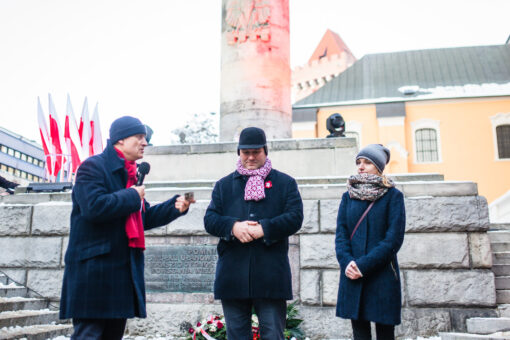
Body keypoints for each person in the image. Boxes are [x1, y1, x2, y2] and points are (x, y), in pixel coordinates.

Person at [60, 116, 195, 340]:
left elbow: (144, 218)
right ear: (120, 140)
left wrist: (176, 206)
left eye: (145, 138)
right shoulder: (92, 167)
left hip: (120, 273)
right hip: (94, 274)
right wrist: (132, 195)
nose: (145, 143)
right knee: (88, 335)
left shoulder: (131, 174)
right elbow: (93, 207)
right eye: (139, 137)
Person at [204, 127, 303, 340]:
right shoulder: (223, 186)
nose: (250, 157)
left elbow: (295, 217)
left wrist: (263, 229)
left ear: (265, 151)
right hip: (233, 276)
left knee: (272, 335)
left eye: (256, 152)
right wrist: (233, 227)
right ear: (239, 152)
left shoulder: (285, 183)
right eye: (245, 152)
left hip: (270, 276)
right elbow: (210, 220)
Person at [335, 144, 406, 340]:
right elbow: (341, 234)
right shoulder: (348, 196)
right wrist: (347, 262)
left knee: (385, 333)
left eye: (367, 162)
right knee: (359, 333)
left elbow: (393, 239)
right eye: (359, 162)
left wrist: (363, 265)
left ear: (379, 167)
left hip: (382, 275)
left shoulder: (393, 196)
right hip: (352, 273)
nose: (361, 166)